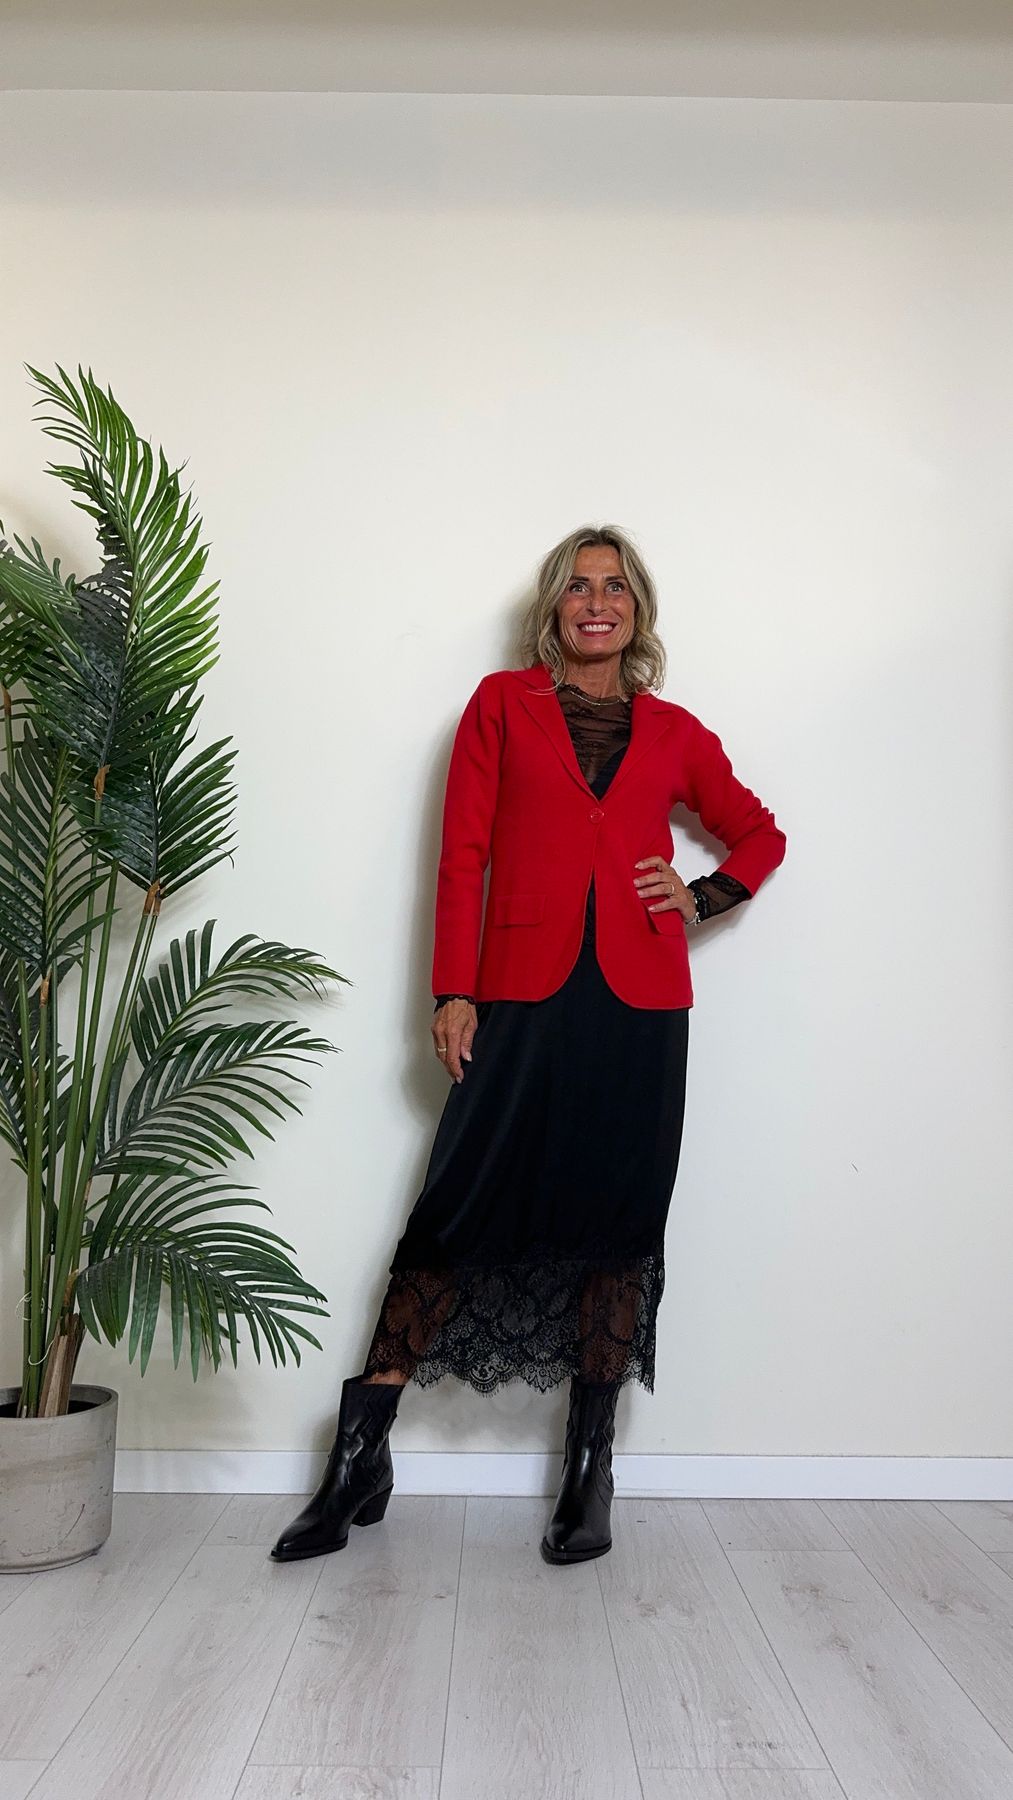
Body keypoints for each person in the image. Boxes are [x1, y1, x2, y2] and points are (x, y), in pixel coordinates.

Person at [271, 523, 786, 1566]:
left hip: (638, 1005)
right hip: (517, 992)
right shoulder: (499, 706)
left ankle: (588, 1473)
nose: (596, 603)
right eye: (578, 587)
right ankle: (359, 1453)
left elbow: (759, 831)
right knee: (456, 1205)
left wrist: (699, 895)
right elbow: (460, 853)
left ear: (636, 610)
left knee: (617, 1216)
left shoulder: (675, 730)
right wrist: (453, 989)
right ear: (553, 606)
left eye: (615, 588)